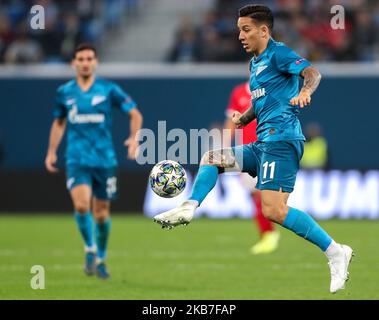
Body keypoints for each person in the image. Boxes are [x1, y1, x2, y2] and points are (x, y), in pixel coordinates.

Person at [153, 5, 353, 293]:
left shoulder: (279, 53)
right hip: (262, 143)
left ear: (263, 30)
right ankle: (189, 206)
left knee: (273, 210)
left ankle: (335, 251)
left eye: (246, 30)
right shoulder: (255, 65)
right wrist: (242, 118)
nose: (240, 36)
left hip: (281, 140)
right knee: (212, 158)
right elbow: (260, 104)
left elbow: (313, 73)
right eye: (238, 30)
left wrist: (305, 91)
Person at [45, 43, 143, 279]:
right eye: (81, 59)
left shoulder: (108, 89)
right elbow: (59, 122)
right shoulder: (65, 92)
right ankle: (90, 248)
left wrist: (134, 138)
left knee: (100, 214)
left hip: (105, 159)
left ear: (96, 62)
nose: (85, 62)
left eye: (89, 58)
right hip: (77, 159)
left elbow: (135, 113)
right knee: (81, 205)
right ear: (74, 63)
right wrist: (51, 152)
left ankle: (101, 257)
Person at [224, 81, 280, 254]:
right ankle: (268, 234)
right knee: (256, 194)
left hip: (268, 150)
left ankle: (269, 233)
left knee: (266, 195)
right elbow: (231, 121)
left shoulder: (272, 90)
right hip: (246, 153)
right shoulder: (239, 91)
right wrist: (226, 145)